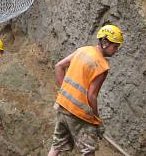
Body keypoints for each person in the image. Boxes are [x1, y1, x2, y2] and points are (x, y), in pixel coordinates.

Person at [47, 24, 123, 156]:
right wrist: (97, 121)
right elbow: (92, 96)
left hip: (63, 105)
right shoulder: (102, 65)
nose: (116, 50)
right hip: (79, 113)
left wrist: (64, 91)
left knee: (56, 147)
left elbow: (59, 66)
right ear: (105, 42)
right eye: (115, 46)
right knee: (88, 151)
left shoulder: (83, 50)